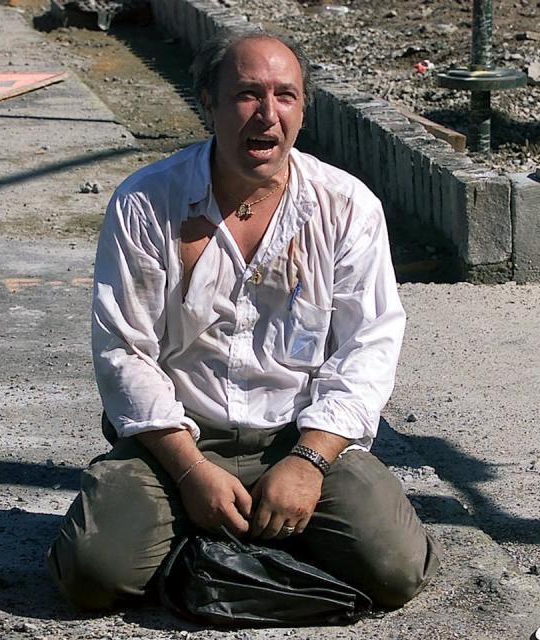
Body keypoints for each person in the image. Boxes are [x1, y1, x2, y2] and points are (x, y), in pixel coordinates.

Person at [47, 29, 442, 614]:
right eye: (246, 95)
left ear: (303, 109)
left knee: (396, 572)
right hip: (178, 439)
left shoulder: (347, 205)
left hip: (301, 437)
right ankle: (221, 536)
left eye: (285, 96)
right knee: (93, 575)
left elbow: (369, 344)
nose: (267, 115)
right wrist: (189, 473)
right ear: (207, 102)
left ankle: (238, 539)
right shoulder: (145, 202)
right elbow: (124, 351)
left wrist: (309, 462)